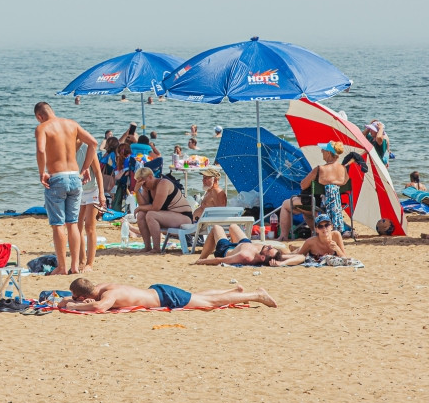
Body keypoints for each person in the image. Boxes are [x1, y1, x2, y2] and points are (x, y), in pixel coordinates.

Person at [34, 101, 98, 275]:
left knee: (58, 225)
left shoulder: (42, 128)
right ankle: (75, 266)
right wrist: (85, 167)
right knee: (73, 224)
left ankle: (62, 267)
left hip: (57, 178)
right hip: (75, 177)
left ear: (39, 116)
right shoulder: (72, 124)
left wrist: (42, 172)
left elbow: (41, 150)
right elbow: (93, 143)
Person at [59, 277, 277, 312]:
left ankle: (257, 295)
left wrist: (74, 306)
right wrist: (74, 300)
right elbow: (92, 300)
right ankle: (233, 291)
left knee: (209, 303)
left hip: (165, 298)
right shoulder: (101, 287)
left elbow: (99, 307)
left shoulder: (110, 295)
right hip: (159, 291)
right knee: (197, 295)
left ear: (83, 296)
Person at [278, 141, 349, 239]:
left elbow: (303, 185)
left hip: (315, 203)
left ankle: (283, 236)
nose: (321, 151)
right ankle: (316, 233)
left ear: (328, 153)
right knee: (308, 214)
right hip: (333, 204)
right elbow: (345, 182)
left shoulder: (320, 169)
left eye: (323, 150)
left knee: (286, 204)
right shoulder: (343, 169)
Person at [134, 167, 193, 253]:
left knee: (151, 214)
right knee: (141, 215)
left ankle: (156, 248)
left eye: (144, 183)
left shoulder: (163, 183)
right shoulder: (147, 188)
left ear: (150, 177)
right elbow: (143, 205)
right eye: (141, 184)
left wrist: (139, 208)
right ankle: (147, 246)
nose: (143, 186)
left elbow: (156, 207)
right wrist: (137, 191)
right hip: (168, 216)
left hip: (183, 216)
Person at [195, 224, 305, 266]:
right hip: (245, 243)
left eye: (269, 248)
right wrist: (282, 263)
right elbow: (301, 257)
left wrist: (202, 261)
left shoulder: (245, 256)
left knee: (216, 228)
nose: (269, 246)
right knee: (233, 226)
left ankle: (201, 257)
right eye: (271, 247)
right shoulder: (272, 255)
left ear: (263, 257)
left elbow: (220, 260)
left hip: (226, 249)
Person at [76, 141, 106, 273]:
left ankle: (90, 263)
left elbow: (98, 172)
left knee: (89, 227)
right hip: (77, 190)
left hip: (92, 190)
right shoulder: (66, 147)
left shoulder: (88, 149)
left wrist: (101, 194)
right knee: (76, 227)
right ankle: (82, 261)